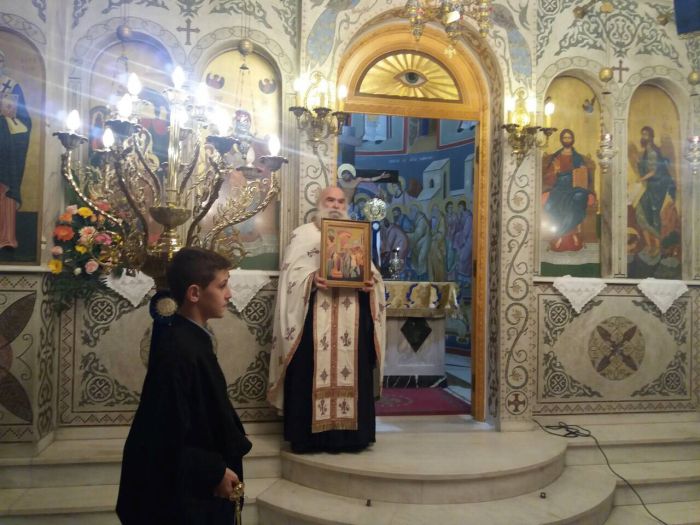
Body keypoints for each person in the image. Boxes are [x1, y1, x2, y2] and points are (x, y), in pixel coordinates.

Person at [117, 247, 252, 524]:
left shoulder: (191, 339)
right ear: (194, 293)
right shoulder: (179, 350)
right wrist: (213, 472)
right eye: (222, 286)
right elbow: (164, 434)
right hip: (187, 498)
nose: (229, 294)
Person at [267, 186, 385, 454]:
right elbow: (291, 277)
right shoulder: (303, 235)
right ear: (319, 203)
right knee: (308, 372)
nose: (335, 206)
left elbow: (373, 276)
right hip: (311, 321)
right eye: (330, 200)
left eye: (341, 201)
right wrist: (311, 279)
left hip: (352, 320)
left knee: (353, 370)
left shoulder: (357, 235)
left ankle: (352, 437)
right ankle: (308, 438)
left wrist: (370, 284)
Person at [541, 128, 595, 252]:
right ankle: (568, 235)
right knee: (556, 200)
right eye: (565, 138)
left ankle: (561, 235)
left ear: (573, 139)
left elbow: (587, 179)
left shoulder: (579, 158)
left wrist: (583, 171)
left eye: (569, 137)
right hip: (559, 187)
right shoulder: (556, 158)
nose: (567, 140)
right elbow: (548, 179)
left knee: (579, 197)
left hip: (576, 187)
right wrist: (555, 170)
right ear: (561, 139)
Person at [0, 49, 32, 250]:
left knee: (6, 190)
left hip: (7, 147)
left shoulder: (12, 86)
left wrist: (8, 115)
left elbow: (24, 120)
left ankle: (6, 238)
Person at [634, 126, 677, 258]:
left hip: (658, 186)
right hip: (651, 186)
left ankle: (657, 247)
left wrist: (640, 179)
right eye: (642, 134)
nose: (643, 137)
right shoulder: (646, 151)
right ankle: (649, 245)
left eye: (646, 135)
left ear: (651, 137)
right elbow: (646, 170)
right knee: (640, 212)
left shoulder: (652, 152)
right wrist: (638, 163)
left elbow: (653, 172)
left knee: (653, 215)